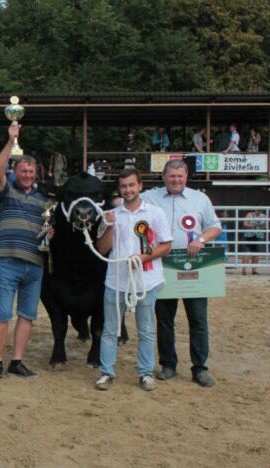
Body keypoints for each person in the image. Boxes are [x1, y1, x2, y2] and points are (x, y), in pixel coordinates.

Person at [142, 159, 223, 387]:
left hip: (194, 267)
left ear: (186, 177)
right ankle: (168, 364)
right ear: (164, 177)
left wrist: (200, 240)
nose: (176, 180)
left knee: (198, 319)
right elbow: (129, 203)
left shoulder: (200, 199)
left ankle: (200, 368)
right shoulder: (149, 197)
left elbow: (215, 226)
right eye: (172, 176)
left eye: (180, 176)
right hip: (163, 266)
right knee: (164, 319)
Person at [93, 169, 172, 392]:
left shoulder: (155, 213)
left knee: (145, 329)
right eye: (124, 186)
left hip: (146, 281)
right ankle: (106, 372)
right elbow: (102, 249)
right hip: (116, 280)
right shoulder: (111, 214)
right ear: (119, 189)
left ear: (140, 186)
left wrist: (144, 257)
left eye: (131, 185)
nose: (128, 190)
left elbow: (166, 245)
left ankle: (145, 373)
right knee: (110, 329)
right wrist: (109, 225)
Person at [0, 124, 49, 382]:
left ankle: (16, 361)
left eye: (31, 171)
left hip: (34, 264)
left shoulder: (44, 201)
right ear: (15, 172)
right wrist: (10, 140)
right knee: (2, 314)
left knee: (27, 316)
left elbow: (48, 230)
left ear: (36, 173)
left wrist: (51, 232)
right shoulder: (7, 193)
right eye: (23, 171)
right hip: (9, 262)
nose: (27, 175)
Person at [240, 209, 266, 275]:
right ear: (255, 209)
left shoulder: (264, 216)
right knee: (247, 253)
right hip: (249, 235)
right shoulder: (249, 214)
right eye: (258, 210)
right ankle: (243, 270)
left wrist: (260, 225)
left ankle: (254, 270)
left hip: (259, 235)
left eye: (260, 210)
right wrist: (252, 225)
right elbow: (245, 224)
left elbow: (265, 226)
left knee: (256, 253)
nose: (258, 212)